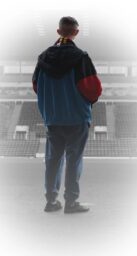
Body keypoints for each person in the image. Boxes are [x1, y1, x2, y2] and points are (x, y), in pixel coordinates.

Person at [32, 16, 102, 213]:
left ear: (58, 31)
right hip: (77, 118)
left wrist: (53, 103)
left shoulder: (43, 58)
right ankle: (71, 202)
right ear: (76, 32)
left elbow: (36, 86)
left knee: (52, 160)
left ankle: (51, 201)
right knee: (74, 160)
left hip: (53, 118)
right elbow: (92, 89)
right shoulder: (81, 57)